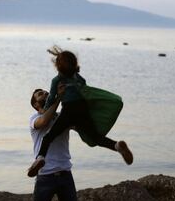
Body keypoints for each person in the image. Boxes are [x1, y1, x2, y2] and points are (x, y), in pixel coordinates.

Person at [27, 46, 133, 177]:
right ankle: (116, 146)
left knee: (48, 137)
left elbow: (51, 97)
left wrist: (51, 103)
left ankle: (40, 158)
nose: (44, 93)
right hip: (82, 109)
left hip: (68, 111)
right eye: (39, 94)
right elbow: (84, 86)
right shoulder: (76, 77)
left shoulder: (57, 80)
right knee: (95, 137)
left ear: (58, 67)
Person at [25, 85, 82, 201]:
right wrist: (58, 98)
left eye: (44, 92)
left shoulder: (61, 117)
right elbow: (44, 122)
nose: (44, 93)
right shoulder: (34, 119)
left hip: (65, 175)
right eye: (39, 94)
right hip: (45, 177)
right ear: (36, 105)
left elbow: (79, 127)